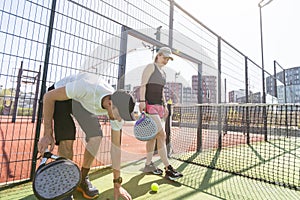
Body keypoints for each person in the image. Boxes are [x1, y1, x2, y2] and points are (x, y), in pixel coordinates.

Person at [38, 72, 134, 200]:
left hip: (81, 101)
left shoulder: (115, 111)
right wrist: (47, 133)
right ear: (111, 104)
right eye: (120, 114)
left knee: (96, 137)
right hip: (60, 95)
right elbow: (48, 97)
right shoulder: (87, 87)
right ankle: (66, 185)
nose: (120, 119)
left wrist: (117, 184)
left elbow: (116, 148)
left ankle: (82, 179)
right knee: (67, 139)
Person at [138, 47, 183, 180]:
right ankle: (168, 168)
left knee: (153, 137)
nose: (166, 60)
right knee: (161, 134)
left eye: (168, 59)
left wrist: (164, 105)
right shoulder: (150, 67)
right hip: (149, 105)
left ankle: (148, 164)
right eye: (165, 57)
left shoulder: (163, 73)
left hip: (159, 106)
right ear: (158, 55)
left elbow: (162, 90)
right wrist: (141, 101)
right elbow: (143, 85)